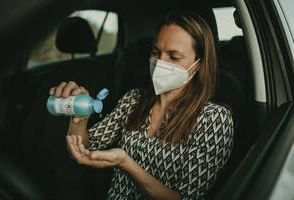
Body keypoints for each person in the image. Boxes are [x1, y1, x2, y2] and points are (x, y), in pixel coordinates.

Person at [49, 11, 234, 200]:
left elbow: (186, 198)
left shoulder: (214, 118)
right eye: (156, 52)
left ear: (199, 64)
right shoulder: (134, 100)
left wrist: (126, 163)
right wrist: (79, 115)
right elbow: (86, 149)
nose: (160, 62)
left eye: (174, 56)